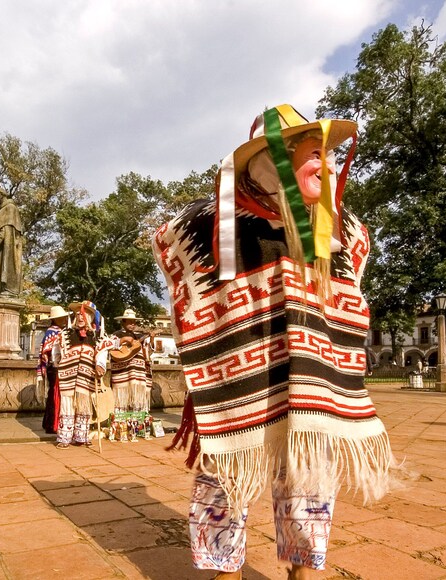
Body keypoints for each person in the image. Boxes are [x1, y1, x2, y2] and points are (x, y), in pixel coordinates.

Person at [154, 105, 395, 577]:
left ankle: (303, 568)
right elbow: (187, 284)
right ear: (270, 159)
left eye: (330, 157)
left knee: (309, 478)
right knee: (224, 477)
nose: (327, 167)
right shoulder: (206, 225)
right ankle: (225, 570)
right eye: (312, 154)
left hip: (311, 380)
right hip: (238, 381)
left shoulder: (343, 230)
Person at [52, 301, 109, 449]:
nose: (80, 316)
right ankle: (65, 438)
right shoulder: (65, 334)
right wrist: (58, 362)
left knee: (84, 407)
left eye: (83, 314)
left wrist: (100, 365)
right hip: (67, 375)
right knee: (68, 406)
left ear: (90, 316)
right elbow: (56, 352)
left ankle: (81, 436)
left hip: (86, 376)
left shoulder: (97, 336)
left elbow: (102, 353)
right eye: (78, 314)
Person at [108, 309, 156, 441]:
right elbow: (109, 348)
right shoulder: (115, 335)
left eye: (134, 322)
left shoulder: (139, 336)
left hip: (138, 374)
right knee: (122, 403)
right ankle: (121, 431)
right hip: (123, 374)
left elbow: (148, 352)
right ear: (123, 322)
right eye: (130, 322)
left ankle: (136, 431)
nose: (132, 324)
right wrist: (123, 340)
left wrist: (151, 338)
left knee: (137, 402)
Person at [36, 305, 69, 434]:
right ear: (55, 319)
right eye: (61, 318)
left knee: (53, 395)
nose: (64, 320)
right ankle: (52, 424)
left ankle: (50, 422)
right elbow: (49, 351)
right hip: (54, 367)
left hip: (55, 367)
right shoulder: (54, 332)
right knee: (54, 395)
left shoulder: (57, 331)